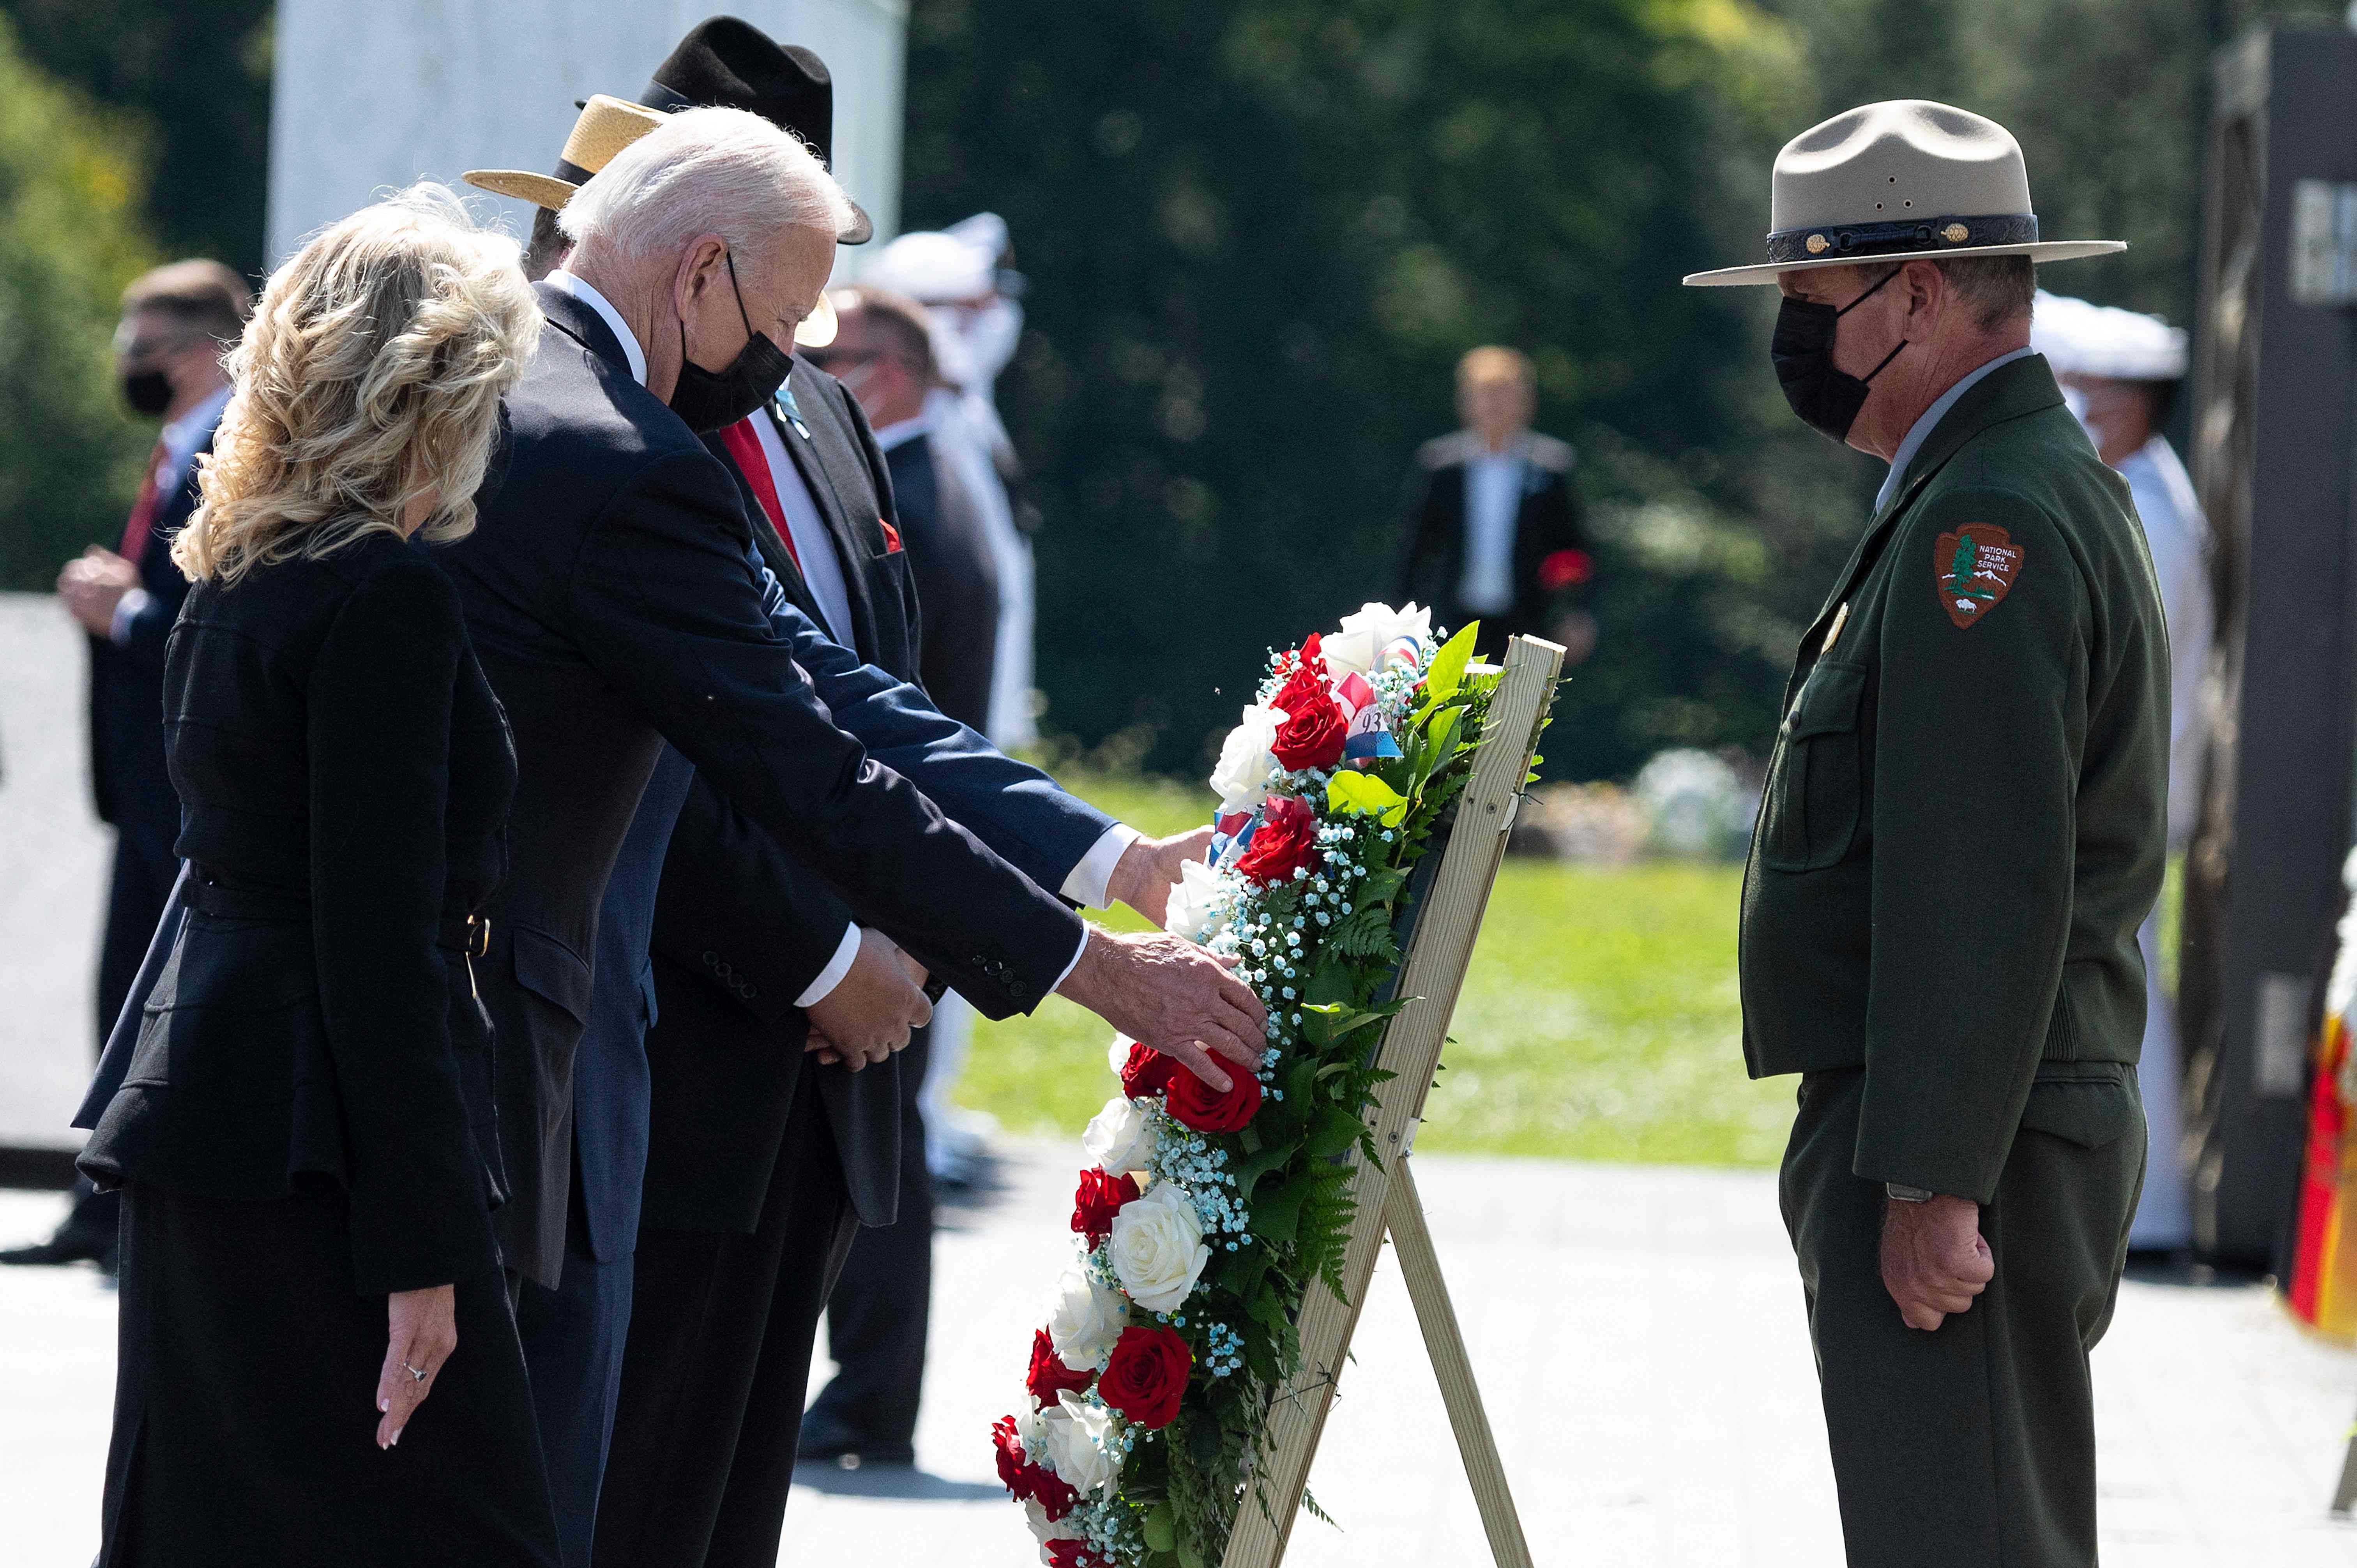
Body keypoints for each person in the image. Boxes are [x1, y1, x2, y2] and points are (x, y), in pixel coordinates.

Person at [438, 102, 1262, 1558]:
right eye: (791, 307)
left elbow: (841, 692)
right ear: (700, 272)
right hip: (512, 1041)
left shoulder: (560, 400)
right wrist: (1103, 970)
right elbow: (806, 766)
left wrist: (1110, 863)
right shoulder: (611, 445)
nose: (803, 349)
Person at [1685, 100, 2166, 1566]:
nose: (1792, 340)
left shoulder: (1987, 526)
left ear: (1909, 295)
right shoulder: (1990, 488)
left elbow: (1980, 876)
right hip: (1972, 1110)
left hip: (1971, 1131)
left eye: (1807, 301)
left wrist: (1929, 1176)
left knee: (1957, 1539)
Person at [69, 187, 557, 1566]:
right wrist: (426, 1246)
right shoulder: (380, 591)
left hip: (206, 1109)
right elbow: (377, 940)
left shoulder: (236, 568)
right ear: (438, 389)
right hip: (319, 1153)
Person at [5, 263, 249, 1276]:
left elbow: (224, 620)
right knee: (126, 996)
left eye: (139, 349)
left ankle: (134, 1214)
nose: (128, 368)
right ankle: (106, 1208)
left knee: (170, 1006)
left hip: (190, 781)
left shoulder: (237, 453)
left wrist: (129, 614)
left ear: (197, 350)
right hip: (144, 782)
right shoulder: (175, 451)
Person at [792, 283, 998, 1471]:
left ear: (900, 373)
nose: (817, 372)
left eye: (841, 354)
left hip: (897, 870)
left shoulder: (909, 491)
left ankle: (873, 1393)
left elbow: (910, 715)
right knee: (883, 1139)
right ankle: (869, 1388)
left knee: (878, 1144)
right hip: (911, 866)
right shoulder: (921, 483)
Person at [2031, 290, 2208, 1256]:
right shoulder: (2147, 488)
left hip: (2118, 796)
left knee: (2116, 990)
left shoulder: (2145, 508)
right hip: (2126, 789)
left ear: (2124, 404)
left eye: (2080, 392)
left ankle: (2142, 1212)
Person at [1398, 345, 1597, 662]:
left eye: (1505, 394)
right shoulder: (1441, 467)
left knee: (1523, 709)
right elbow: (1416, 550)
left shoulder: (1551, 469)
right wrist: (1399, 622)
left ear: (1526, 402)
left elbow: (1571, 552)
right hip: (1453, 625)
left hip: (1531, 625)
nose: (1495, 405)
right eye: (1485, 394)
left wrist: (1576, 613)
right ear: (1465, 401)